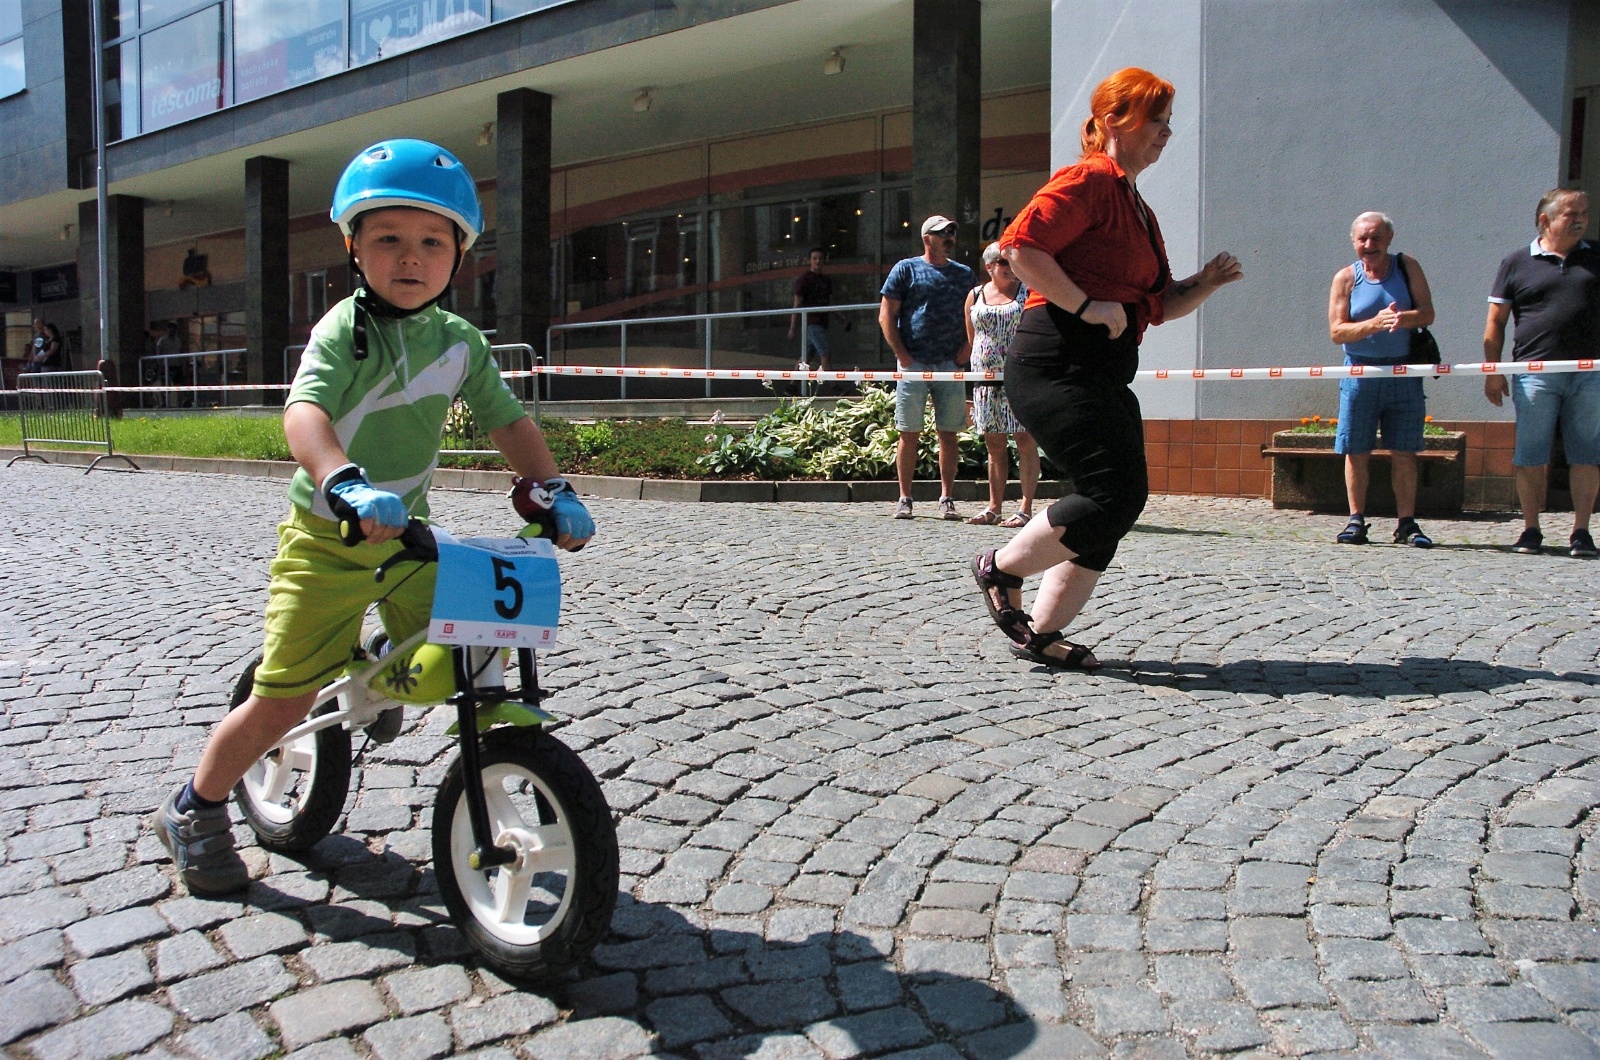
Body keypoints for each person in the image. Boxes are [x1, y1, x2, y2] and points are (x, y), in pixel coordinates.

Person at [147, 139, 596, 895]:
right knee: (284, 699)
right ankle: (195, 808)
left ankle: (381, 673)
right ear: (354, 248)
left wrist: (553, 488)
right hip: (329, 540)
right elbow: (305, 414)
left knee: (470, 644)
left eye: (432, 242)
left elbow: (508, 421)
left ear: (459, 256)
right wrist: (343, 481)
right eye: (388, 238)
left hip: (407, 539)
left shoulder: (458, 342)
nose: (410, 257)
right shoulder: (342, 331)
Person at [972, 67, 1243, 669]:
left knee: (1120, 501)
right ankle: (1000, 568)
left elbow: (1161, 303)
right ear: (1114, 121)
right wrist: (1084, 304)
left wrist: (1206, 282)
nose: (1166, 132)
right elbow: (1021, 247)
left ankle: (1041, 634)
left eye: (1169, 121)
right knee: (1110, 493)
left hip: (1103, 371)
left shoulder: (1135, 205)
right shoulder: (1090, 179)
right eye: (1156, 120)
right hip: (1056, 362)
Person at [1484, 187, 1600, 558]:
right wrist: (1493, 371)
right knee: (1531, 453)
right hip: (1534, 372)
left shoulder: (1597, 257)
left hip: (1590, 373)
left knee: (1587, 453)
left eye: (1584, 213)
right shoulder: (1516, 262)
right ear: (1544, 220)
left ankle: (1581, 532)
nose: (1580, 220)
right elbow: (1496, 322)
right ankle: (1531, 529)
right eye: (1571, 213)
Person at [1326, 212, 1436, 548]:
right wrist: (1373, 324)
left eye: (1376, 237)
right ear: (1353, 241)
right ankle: (1355, 520)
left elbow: (1427, 313)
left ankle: (1406, 523)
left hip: (1403, 372)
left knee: (1404, 451)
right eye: (1362, 238)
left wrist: (1401, 319)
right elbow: (1337, 331)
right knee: (1356, 450)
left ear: (1389, 239)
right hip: (1360, 374)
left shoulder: (1407, 267)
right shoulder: (1346, 278)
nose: (1369, 244)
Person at [880, 215, 975, 520]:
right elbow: (886, 316)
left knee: (949, 434)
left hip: (950, 363)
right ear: (926, 238)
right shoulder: (905, 269)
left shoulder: (964, 274)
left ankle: (947, 498)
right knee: (909, 432)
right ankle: (905, 498)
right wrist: (903, 356)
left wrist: (967, 349)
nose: (949, 237)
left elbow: (976, 314)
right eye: (942, 233)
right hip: (914, 363)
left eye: (952, 232)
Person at [963, 241, 1039, 527]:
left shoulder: (1027, 291)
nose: (1010, 267)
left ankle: (1025, 508)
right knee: (993, 443)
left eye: (1012, 261)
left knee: (1025, 439)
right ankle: (994, 507)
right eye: (1003, 262)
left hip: (1020, 375)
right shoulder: (975, 294)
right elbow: (972, 336)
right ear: (989, 266)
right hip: (985, 380)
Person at [789, 247, 834, 372]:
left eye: (820, 258)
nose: (817, 261)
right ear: (810, 260)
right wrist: (792, 328)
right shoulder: (804, 279)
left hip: (822, 321)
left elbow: (831, 302)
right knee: (825, 352)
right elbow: (797, 304)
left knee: (806, 356)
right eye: (814, 258)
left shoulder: (826, 280)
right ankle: (832, 382)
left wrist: (842, 317)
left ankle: (793, 381)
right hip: (811, 322)